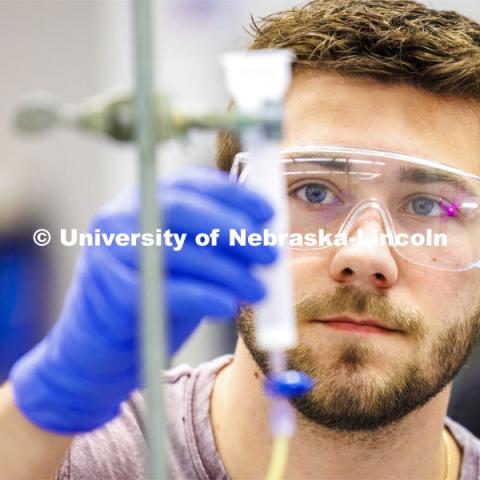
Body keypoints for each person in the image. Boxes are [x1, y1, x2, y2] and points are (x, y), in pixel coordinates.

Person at [2, 0, 480, 478]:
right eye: (313, 191)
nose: (365, 253)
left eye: (428, 206)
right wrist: (47, 398)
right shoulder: (66, 457)